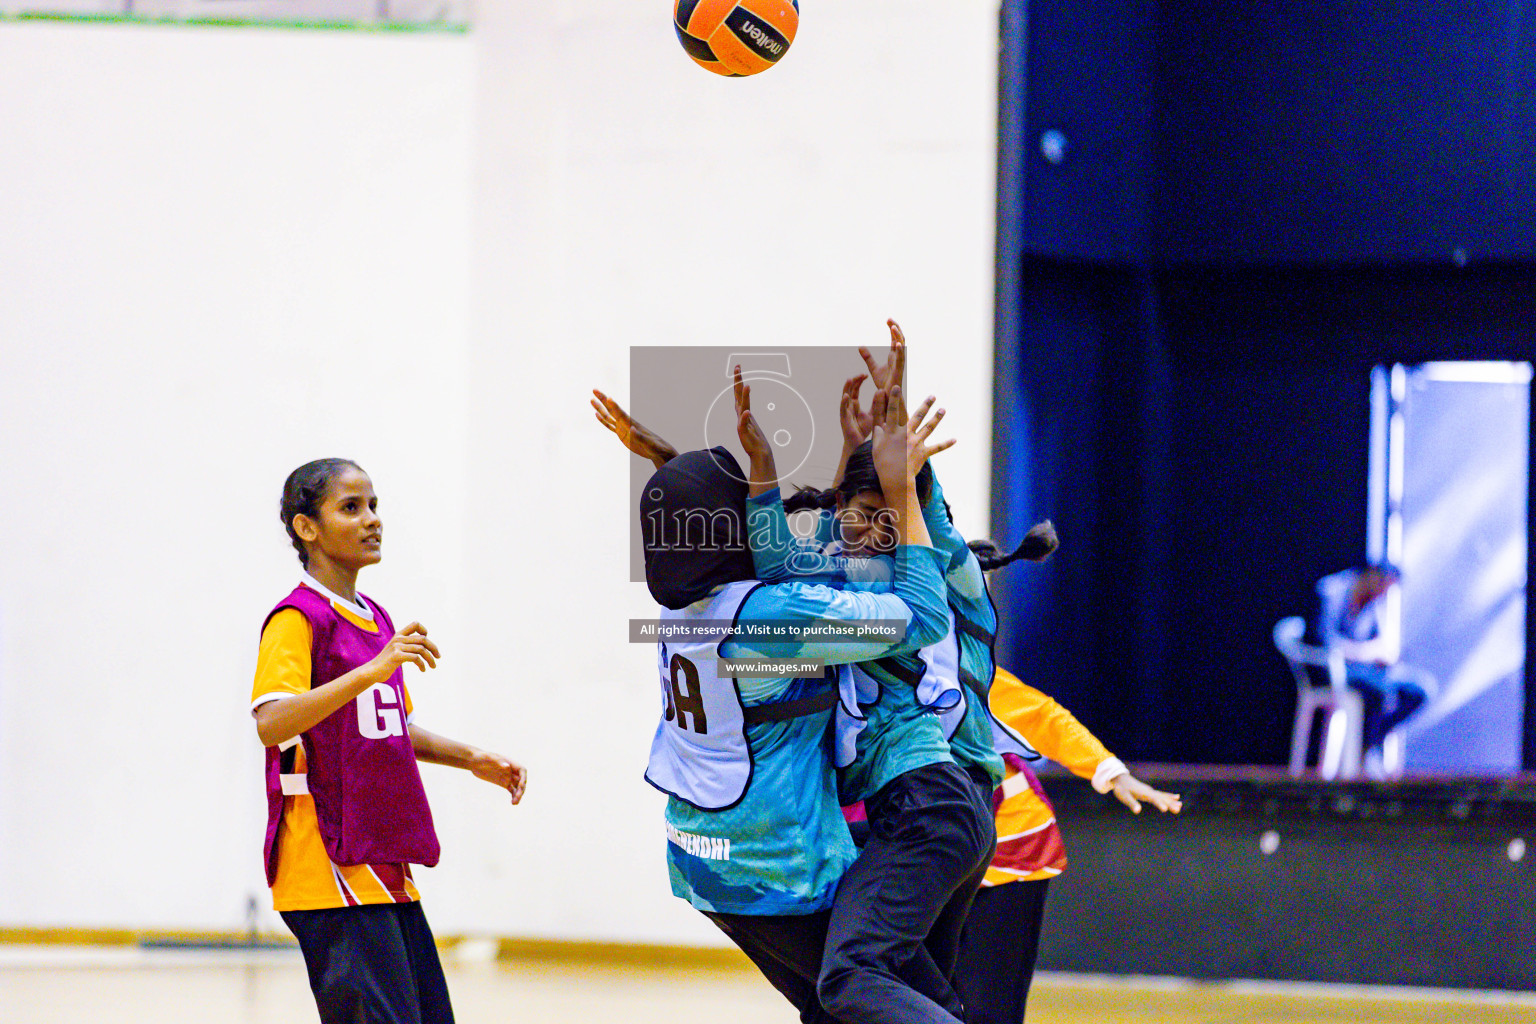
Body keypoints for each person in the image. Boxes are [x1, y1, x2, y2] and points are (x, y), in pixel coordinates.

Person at [629, 370, 959, 1024]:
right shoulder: (770, 617)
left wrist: (757, 472)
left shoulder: (685, 612)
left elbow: (750, 548)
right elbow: (921, 618)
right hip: (779, 866)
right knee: (920, 1003)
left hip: (702, 866)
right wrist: (901, 491)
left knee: (832, 1010)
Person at [251, 458, 527, 1024]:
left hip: (379, 858)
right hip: (324, 860)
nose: (372, 520)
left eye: (374, 506)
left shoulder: (376, 618)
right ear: (308, 528)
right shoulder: (296, 618)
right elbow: (271, 722)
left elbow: (384, 726)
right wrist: (370, 671)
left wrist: (471, 757)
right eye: (351, 508)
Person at [1314, 563, 1435, 775]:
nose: (1382, 593)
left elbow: (1379, 641)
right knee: (1379, 690)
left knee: (1419, 690)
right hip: (1333, 670)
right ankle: (1363, 750)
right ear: (1371, 576)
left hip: (1368, 670)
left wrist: (1383, 652)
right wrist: (1363, 652)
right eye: (1382, 586)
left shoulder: (1375, 603)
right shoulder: (1333, 590)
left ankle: (1373, 740)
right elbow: (1326, 640)